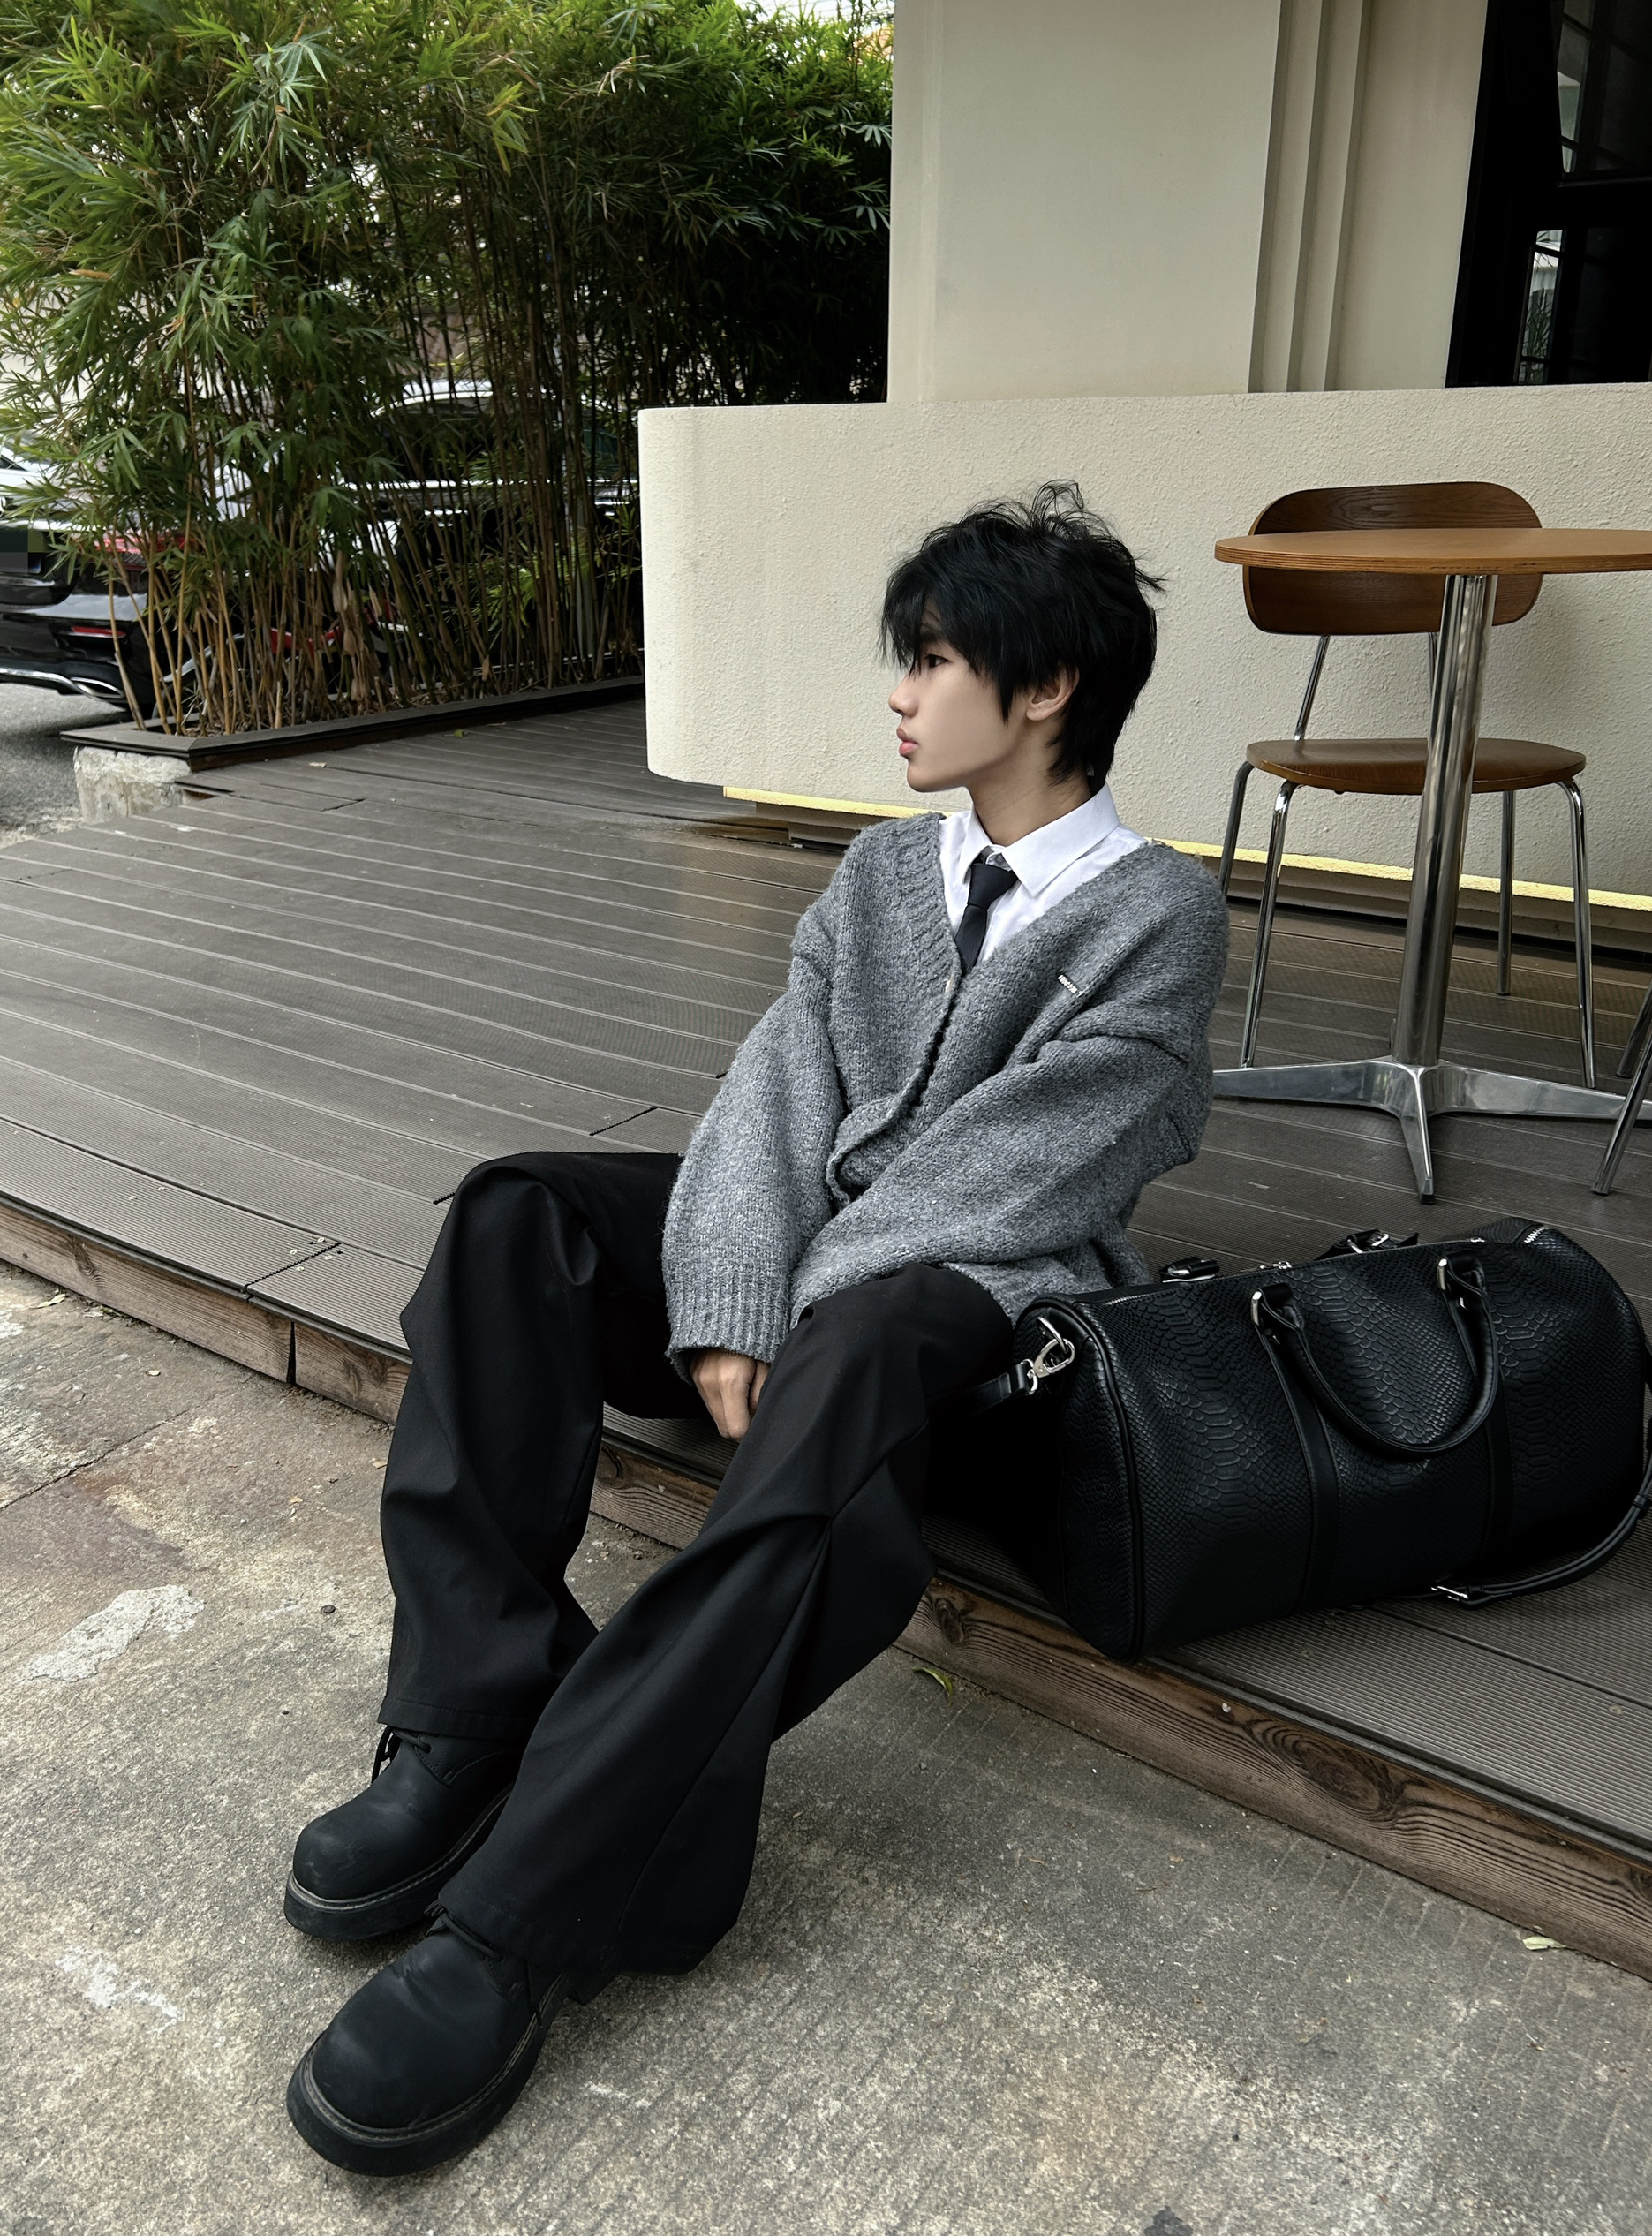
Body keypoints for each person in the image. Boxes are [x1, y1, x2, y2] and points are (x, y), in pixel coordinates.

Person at [283, 482, 1229, 2174]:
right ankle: (472, 1713)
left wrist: (795, 1305)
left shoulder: (1156, 911)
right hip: (810, 1289)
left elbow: (1045, 1159)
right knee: (518, 1214)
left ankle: (525, 1915)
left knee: (862, 1343)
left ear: (1045, 689)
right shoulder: (877, 873)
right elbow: (776, 1094)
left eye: (931, 661)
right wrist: (729, 1299)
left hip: (984, 1304)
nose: (899, 695)